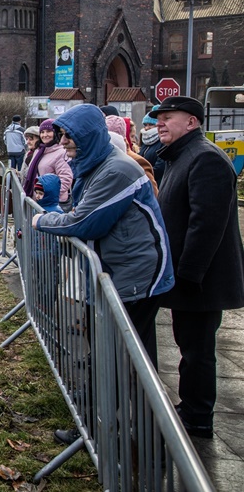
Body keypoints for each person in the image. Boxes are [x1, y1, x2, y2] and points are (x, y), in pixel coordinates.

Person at [31, 104, 174, 445]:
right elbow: (80, 209)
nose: (64, 142)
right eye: (62, 135)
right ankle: (101, 426)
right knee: (109, 355)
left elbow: (84, 221)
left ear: (89, 137)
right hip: (119, 274)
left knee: (129, 362)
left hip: (135, 279)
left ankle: (139, 437)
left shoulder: (116, 172)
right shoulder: (96, 165)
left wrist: (41, 220)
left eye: (69, 136)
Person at [150, 96, 244, 440]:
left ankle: (198, 418)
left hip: (203, 280)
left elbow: (206, 224)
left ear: (192, 122)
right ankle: (190, 409)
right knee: (189, 345)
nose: (160, 123)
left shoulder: (205, 158)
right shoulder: (181, 156)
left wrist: (189, 274)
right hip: (191, 277)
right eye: (158, 118)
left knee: (198, 350)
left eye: (168, 117)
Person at [22, 119, 73, 205]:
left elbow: (66, 179)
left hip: (52, 203)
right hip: (37, 200)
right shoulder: (39, 150)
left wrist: (47, 196)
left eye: (49, 131)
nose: (45, 135)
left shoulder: (61, 152)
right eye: (42, 132)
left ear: (55, 133)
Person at [106, 115, 157, 195]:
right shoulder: (100, 160)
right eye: (132, 136)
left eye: (133, 136)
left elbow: (152, 194)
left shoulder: (137, 161)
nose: (133, 140)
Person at [139, 111, 165, 185]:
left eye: (151, 124)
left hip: (156, 184)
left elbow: (160, 168)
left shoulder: (162, 142)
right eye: (145, 125)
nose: (147, 128)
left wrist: (141, 174)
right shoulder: (145, 141)